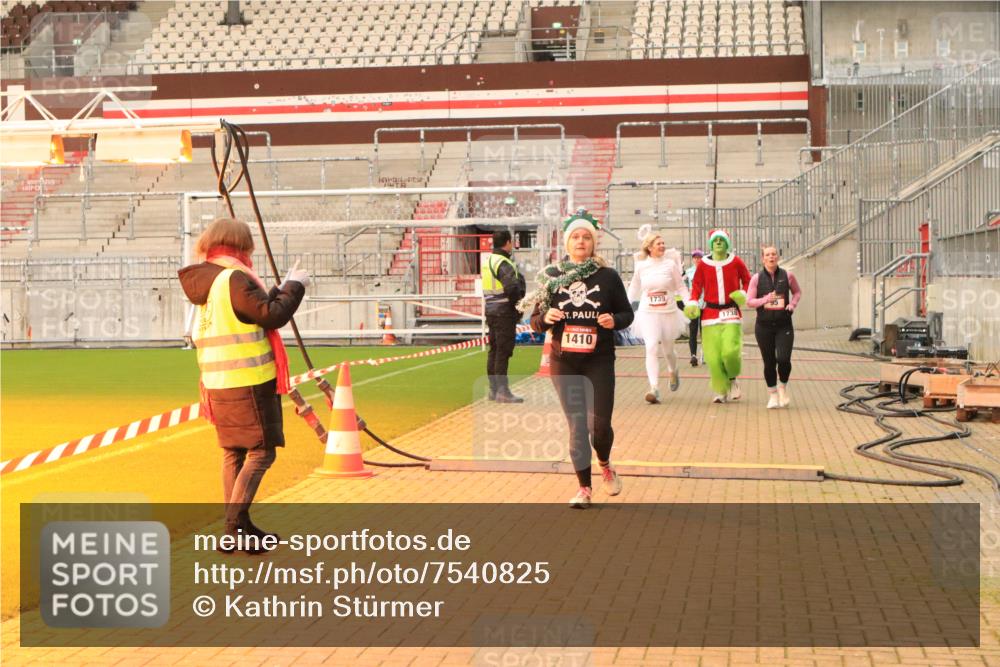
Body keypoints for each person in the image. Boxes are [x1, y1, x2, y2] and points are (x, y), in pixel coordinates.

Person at [178, 218, 309, 554]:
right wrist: (295, 286)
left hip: (217, 382)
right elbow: (271, 315)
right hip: (248, 381)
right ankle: (233, 526)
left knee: (234, 452)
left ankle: (242, 528)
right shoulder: (233, 278)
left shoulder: (209, 281)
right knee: (261, 452)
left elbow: (252, 311)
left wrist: (277, 291)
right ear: (239, 245)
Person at [520, 210, 634, 509]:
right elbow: (534, 322)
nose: (581, 241)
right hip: (564, 362)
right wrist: (545, 316)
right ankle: (584, 488)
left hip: (599, 360)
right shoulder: (553, 277)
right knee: (576, 425)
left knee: (599, 425)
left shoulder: (607, 277)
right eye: (575, 237)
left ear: (594, 243)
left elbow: (627, 313)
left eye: (586, 237)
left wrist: (613, 320)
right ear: (567, 243)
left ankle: (605, 462)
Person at [684, 229, 751, 404]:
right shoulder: (703, 264)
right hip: (710, 314)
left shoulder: (736, 261)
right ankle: (721, 390)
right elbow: (696, 286)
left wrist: (743, 292)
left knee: (730, 352)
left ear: (727, 243)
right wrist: (692, 302)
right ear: (711, 244)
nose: (719, 242)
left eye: (722, 240)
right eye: (715, 240)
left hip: (731, 312)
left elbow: (748, 279)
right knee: (713, 358)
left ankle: (732, 378)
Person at [627, 226, 689, 404]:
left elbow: (680, 287)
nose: (662, 246)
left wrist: (689, 302)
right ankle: (654, 388)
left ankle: (673, 370)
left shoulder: (670, 265)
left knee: (668, 350)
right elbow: (634, 287)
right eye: (658, 243)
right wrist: (625, 304)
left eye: (663, 243)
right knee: (651, 347)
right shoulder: (641, 266)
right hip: (648, 313)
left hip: (668, 312)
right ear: (649, 247)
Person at [746, 245, 802, 409]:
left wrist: (792, 304)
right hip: (763, 327)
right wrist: (765, 299)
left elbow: (797, 292)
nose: (771, 257)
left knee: (783, 359)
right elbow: (749, 301)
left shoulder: (788, 275)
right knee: (769, 362)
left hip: (783, 324)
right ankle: (772, 395)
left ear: (778, 257)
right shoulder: (756, 278)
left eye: (774, 254)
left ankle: (782, 387)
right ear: (763, 258)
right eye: (768, 255)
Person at [481, 229, 527, 402]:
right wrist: (518, 306)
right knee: (503, 351)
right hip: (504, 313)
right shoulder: (503, 262)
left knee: (494, 351)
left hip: (491, 311)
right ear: (508, 242)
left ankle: (494, 390)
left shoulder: (488, 260)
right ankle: (503, 391)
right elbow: (512, 287)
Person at [683, 249, 705, 366]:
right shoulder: (688, 271)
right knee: (693, 330)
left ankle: (704, 355)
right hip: (693, 305)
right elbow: (683, 285)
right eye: (695, 258)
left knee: (704, 332)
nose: (697, 260)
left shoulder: (707, 270)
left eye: (699, 257)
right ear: (692, 259)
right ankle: (693, 355)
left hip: (705, 304)